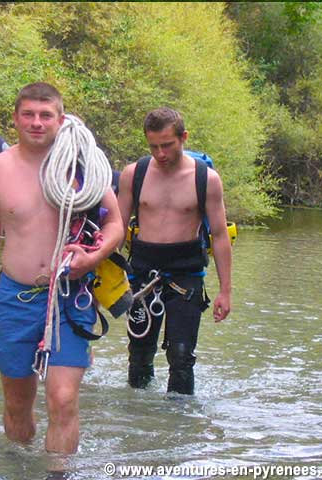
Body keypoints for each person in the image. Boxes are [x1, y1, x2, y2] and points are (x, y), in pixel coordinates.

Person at [0, 82, 124, 454]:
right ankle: (19, 466)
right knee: (17, 404)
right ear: (15, 118)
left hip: (69, 297)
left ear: (61, 119)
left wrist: (93, 257)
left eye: (46, 115)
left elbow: (115, 226)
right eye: (28, 114)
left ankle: (58, 474)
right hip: (15, 296)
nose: (37, 123)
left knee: (62, 399)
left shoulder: (82, 167)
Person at [117, 107, 232, 395]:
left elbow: (219, 236)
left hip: (186, 275)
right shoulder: (135, 174)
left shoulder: (206, 180)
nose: (160, 153)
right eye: (153, 146)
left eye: (167, 145)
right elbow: (116, 230)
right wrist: (104, 279)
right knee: (139, 354)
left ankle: (179, 428)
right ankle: (137, 419)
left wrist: (225, 291)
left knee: (181, 357)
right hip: (142, 273)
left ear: (184, 138)